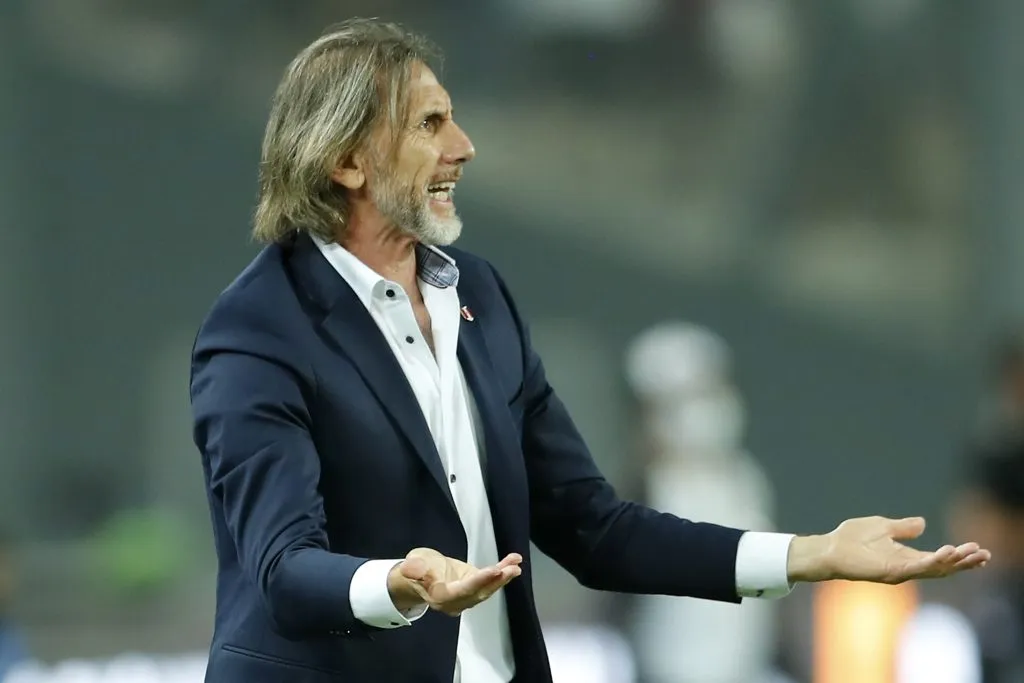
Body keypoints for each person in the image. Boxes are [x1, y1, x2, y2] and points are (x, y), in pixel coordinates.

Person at [189, 17, 991, 683]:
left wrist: (813, 554)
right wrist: (399, 582)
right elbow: (284, 569)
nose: (463, 146)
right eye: (430, 124)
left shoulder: (481, 295)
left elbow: (594, 526)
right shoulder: (258, 330)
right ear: (346, 160)